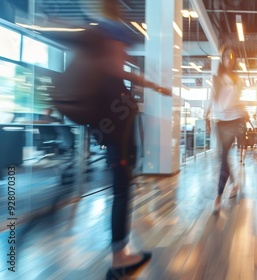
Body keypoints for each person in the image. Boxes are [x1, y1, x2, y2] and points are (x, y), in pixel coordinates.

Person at [64, 1, 171, 278]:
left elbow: (112, 68)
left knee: (121, 187)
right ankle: (119, 257)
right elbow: (116, 68)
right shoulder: (109, 30)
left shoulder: (97, 32)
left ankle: (121, 251)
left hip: (108, 123)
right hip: (116, 126)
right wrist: (153, 84)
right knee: (122, 189)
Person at [205, 46, 246, 214]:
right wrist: (206, 115)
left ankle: (219, 196)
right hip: (220, 121)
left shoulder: (238, 79)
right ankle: (235, 183)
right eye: (227, 56)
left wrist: (243, 111)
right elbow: (212, 97)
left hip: (235, 120)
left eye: (232, 56)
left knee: (223, 157)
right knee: (224, 157)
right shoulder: (216, 78)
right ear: (222, 59)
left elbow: (236, 100)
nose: (230, 59)